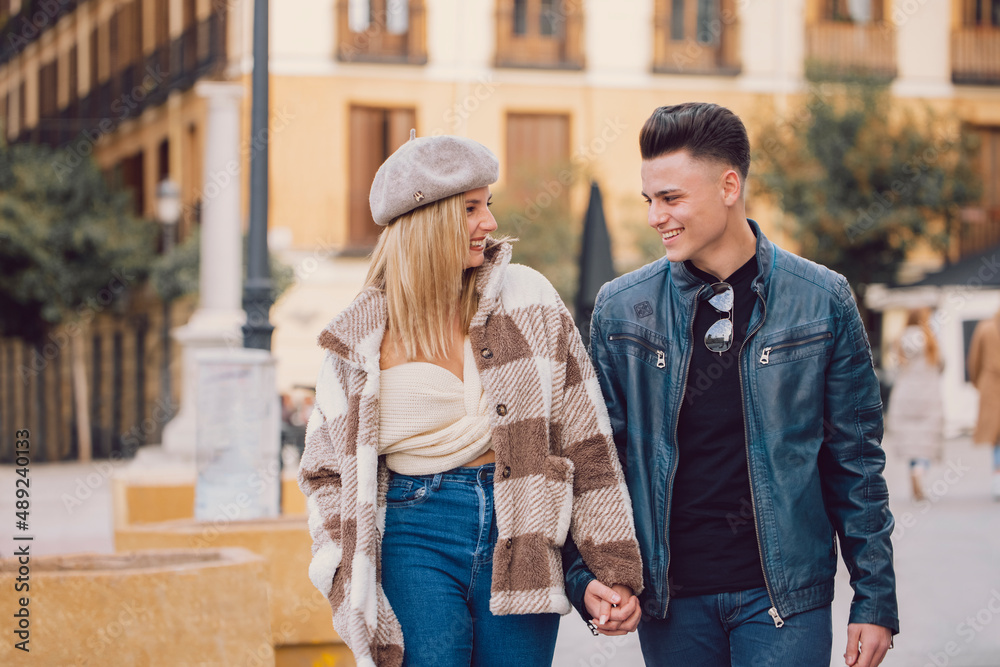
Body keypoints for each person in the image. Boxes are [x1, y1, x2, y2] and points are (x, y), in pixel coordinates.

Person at [563, 103, 898, 667]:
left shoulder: (822, 299)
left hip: (784, 601)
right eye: (650, 200)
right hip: (673, 606)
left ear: (728, 185)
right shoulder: (622, 312)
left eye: (671, 198)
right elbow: (595, 462)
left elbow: (857, 463)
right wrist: (583, 577)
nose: (655, 217)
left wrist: (875, 599)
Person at [298, 132, 644, 667]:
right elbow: (323, 470)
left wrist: (611, 568)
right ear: (427, 220)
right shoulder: (359, 337)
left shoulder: (530, 299)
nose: (489, 223)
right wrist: (341, 566)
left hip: (526, 529)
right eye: (471, 208)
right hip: (413, 531)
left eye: (488, 205)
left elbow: (586, 439)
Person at [884, 308, 945, 501]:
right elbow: (942, 365)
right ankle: (920, 470)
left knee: (911, 439)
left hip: (904, 396)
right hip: (928, 395)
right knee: (926, 438)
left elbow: (894, 369)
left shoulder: (899, 341)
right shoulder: (931, 340)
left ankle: (913, 470)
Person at [968, 309, 1000, 501]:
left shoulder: (985, 328)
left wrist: (978, 382)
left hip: (991, 386)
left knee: (997, 437)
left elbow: (974, 361)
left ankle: (997, 477)